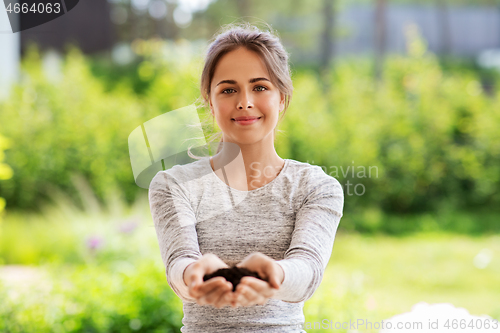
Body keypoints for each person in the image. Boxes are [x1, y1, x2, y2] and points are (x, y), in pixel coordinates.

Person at [148, 22, 344, 333]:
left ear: (282, 98)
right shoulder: (173, 185)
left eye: (260, 87)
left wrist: (275, 274)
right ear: (210, 103)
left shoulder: (316, 187)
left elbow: (308, 270)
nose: (245, 102)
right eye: (228, 89)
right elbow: (178, 264)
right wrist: (194, 275)